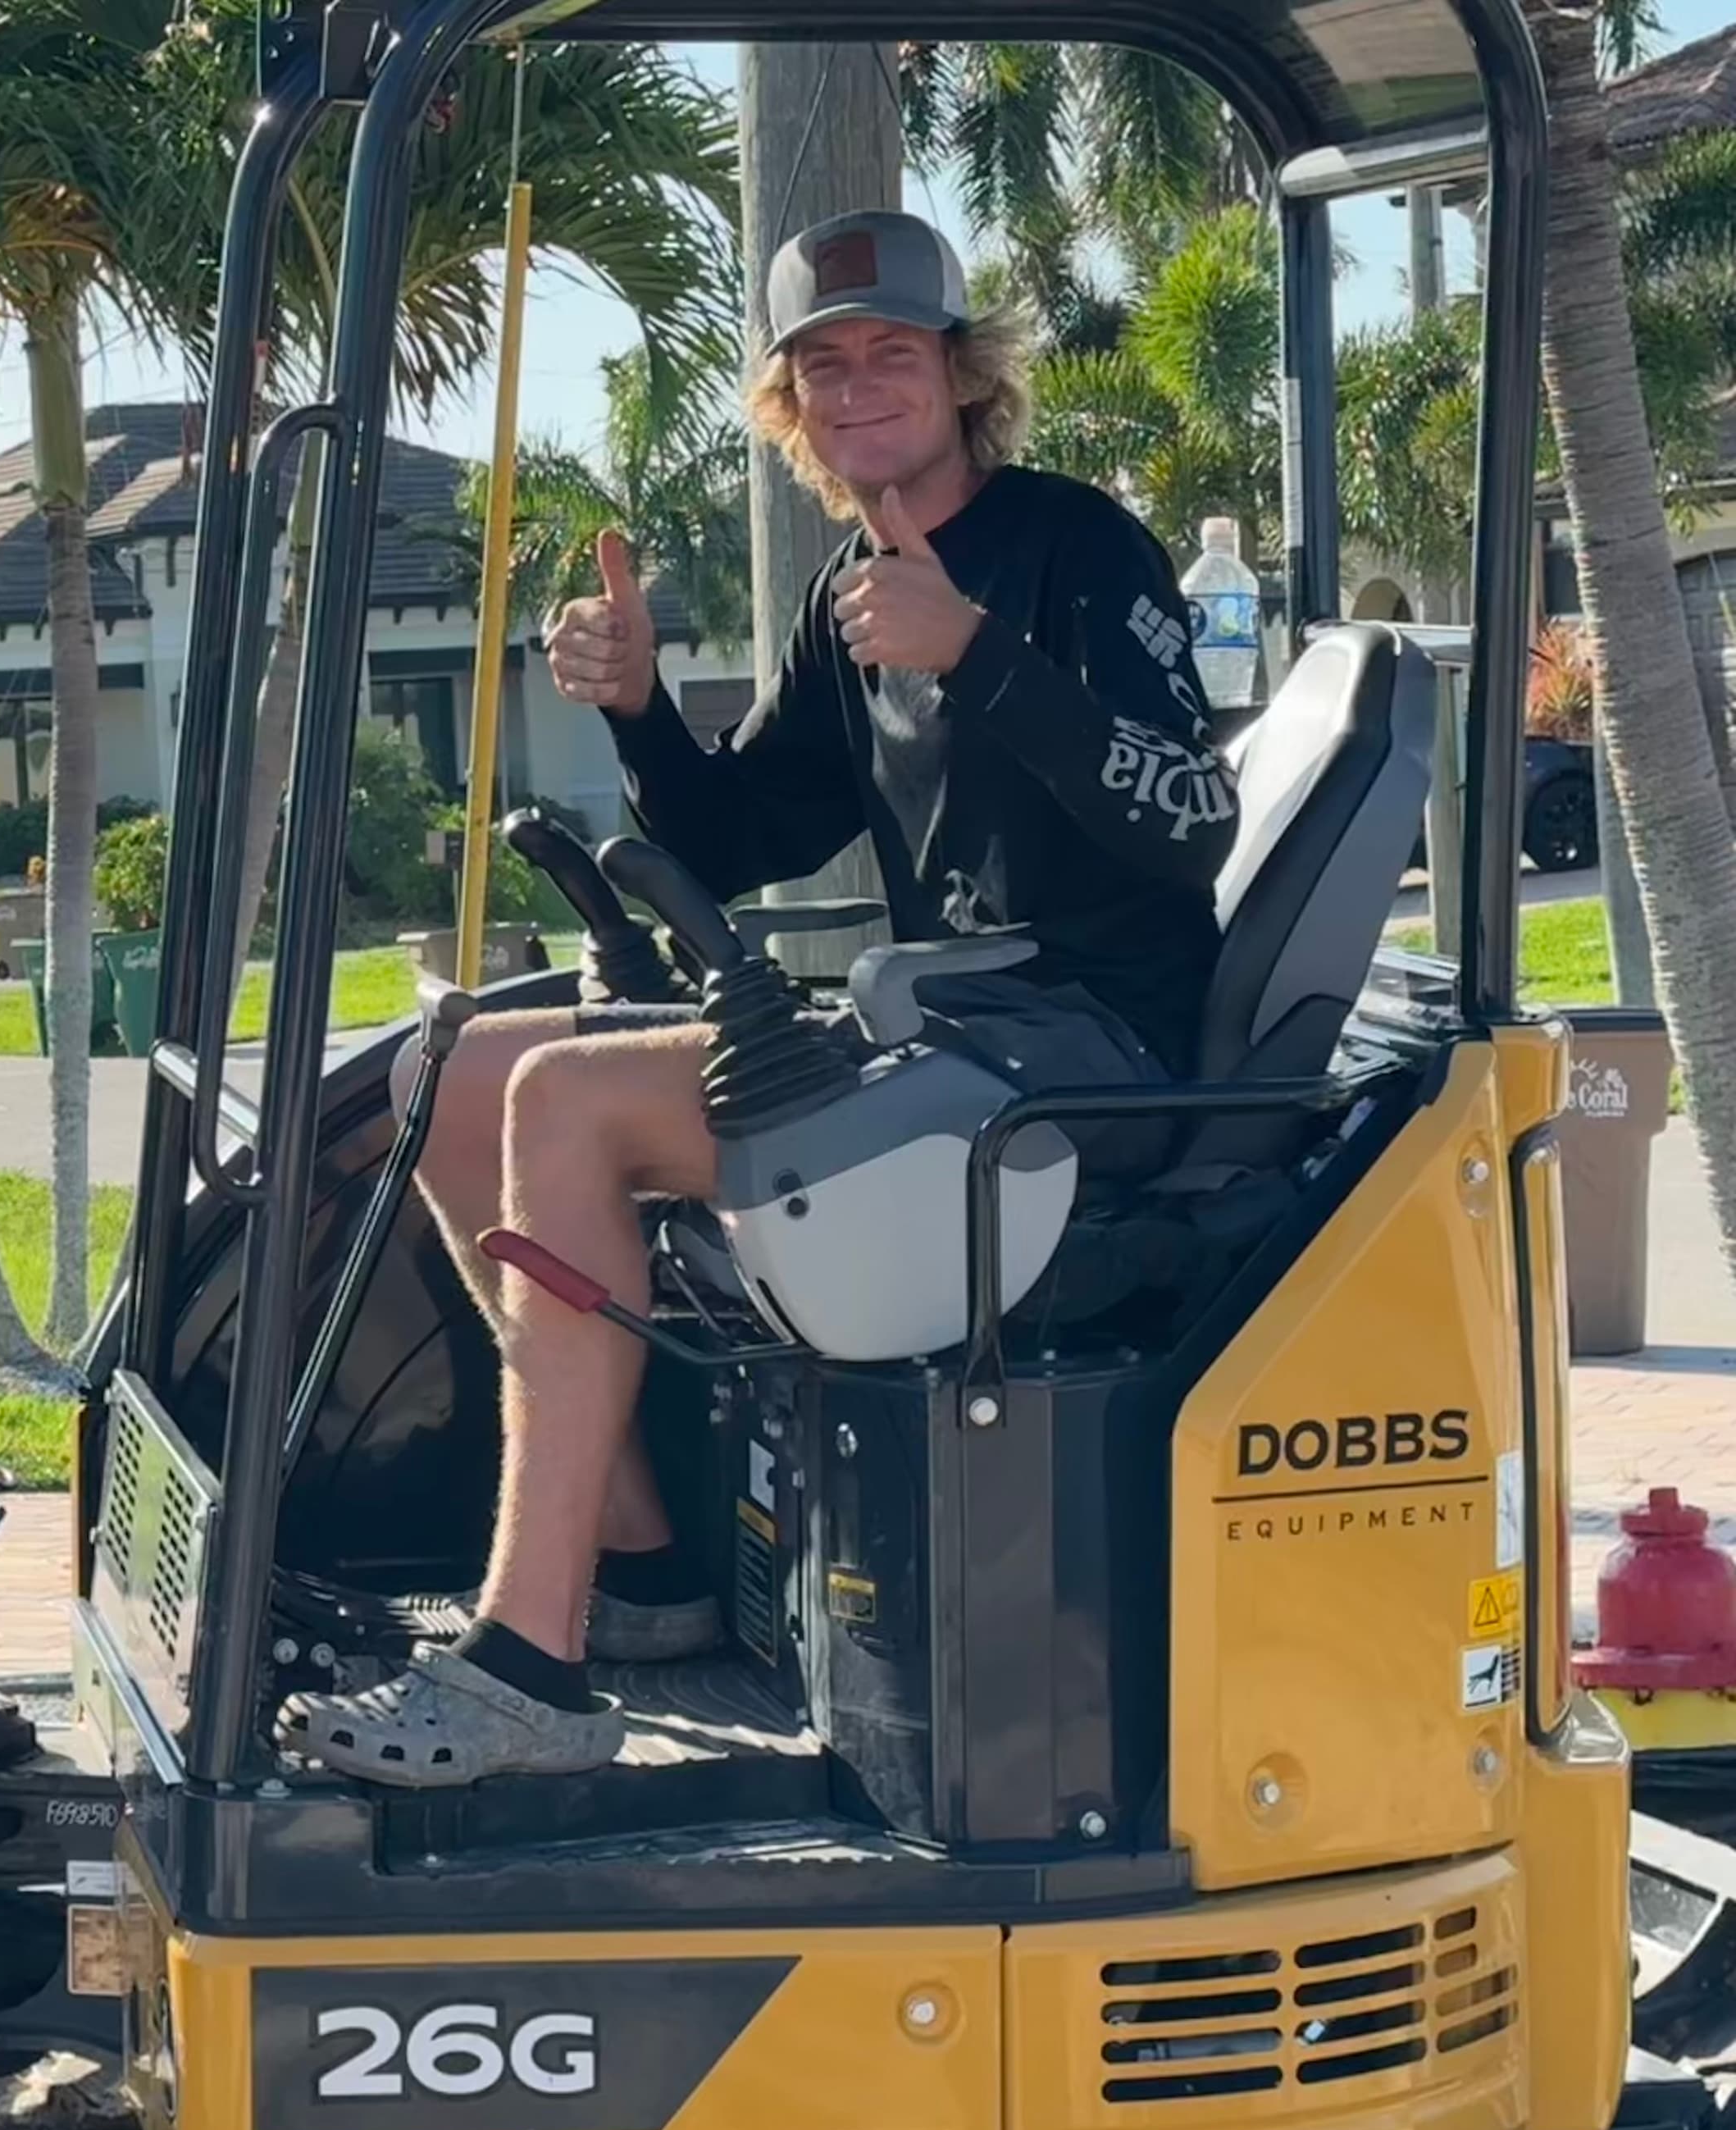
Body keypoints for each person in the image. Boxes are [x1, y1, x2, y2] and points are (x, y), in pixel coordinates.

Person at [276, 208, 1240, 1790]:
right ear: (793, 409)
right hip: (947, 1032)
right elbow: (746, 837)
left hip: (1087, 1067)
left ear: (959, 378)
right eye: (825, 365)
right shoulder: (850, 591)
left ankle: (530, 1667)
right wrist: (645, 708)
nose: (861, 388)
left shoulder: (1073, 550)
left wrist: (981, 654)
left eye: (893, 355)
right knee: (452, 1072)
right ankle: (644, 1570)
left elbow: (1187, 815)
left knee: (562, 1101)